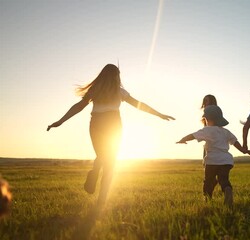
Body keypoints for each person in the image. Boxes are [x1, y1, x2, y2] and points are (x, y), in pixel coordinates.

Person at [47, 64, 174, 206]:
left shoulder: (100, 91)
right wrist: (60, 121)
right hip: (112, 124)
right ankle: (97, 186)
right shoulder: (113, 91)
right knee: (108, 160)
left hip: (98, 123)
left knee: (105, 158)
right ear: (115, 75)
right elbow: (139, 105)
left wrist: (159, 114)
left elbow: (79, 106)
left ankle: (98, 189)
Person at [177, 105, 250, 207]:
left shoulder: (207, 130)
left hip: (212, 161)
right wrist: (244, 150)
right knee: (223, 179)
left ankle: (208, 199)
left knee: (209, 181)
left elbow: (193, 135)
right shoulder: (226, 132)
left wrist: (183, 139)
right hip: (226, 161)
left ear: (207, 119)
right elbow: (235, 142)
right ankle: (227, 189)